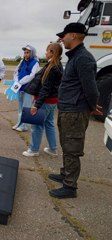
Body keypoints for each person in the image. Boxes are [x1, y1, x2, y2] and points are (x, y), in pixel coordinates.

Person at [48, 23, 100, 198]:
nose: (61, 39)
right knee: (66, 144)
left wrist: (92, 106)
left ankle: (70, 187)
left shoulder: (83, 58)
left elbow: (91, 88)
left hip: (75, 111)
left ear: (75, 36)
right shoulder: (75, 57)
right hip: (67, 109)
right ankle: (65, 174)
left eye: (65, 35)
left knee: (72, 148)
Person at [22, 42, 63, 157]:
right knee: (49, 124)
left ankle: (34, 149)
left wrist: (37, 104)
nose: (45, 53)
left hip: (45, 101)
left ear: (52, 53)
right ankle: (52, 148)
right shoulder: (58, 66)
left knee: (37, 126)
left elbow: (45, 88)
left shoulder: (52, 68)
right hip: (52, 101)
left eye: (47, 50)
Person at [12, 45, 40, 132]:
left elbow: (32, 75)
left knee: (26, 107)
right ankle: (19, 122)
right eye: (24, 52)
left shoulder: (35, 63)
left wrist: (21, 82)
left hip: (28, 88)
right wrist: (16, 80)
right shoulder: (22, 61)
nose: (25, 54)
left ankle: (24, 125)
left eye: (27, 52)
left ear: (32, 53)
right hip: (20, 87)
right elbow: (16, 71)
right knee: (20, 107)